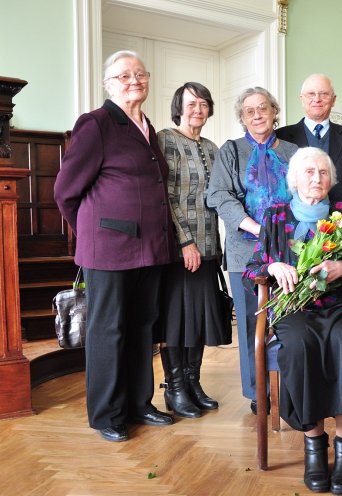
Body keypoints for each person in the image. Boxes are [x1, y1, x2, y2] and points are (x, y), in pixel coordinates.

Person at [55, 50, 175, 442]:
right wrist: (91, 232)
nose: (134, 80)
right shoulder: (96, 124)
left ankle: (139, 403)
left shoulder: (146, 126)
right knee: (108, 329)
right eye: (124, 76)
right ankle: (107, 414)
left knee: (142, 327)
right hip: (108, 249)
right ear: (108, 84)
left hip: (150, 248)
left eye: (140, 74)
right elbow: (65, 191)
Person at [243, 147, 342, 496]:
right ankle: (314, 446)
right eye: (308, 172)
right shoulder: (274, 216)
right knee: (300, 343)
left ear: (331, 179)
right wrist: (272, 266)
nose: (316, 178)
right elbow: (253, 269)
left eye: (322, 172)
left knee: (341, 340)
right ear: (294, 180)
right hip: (295, 309)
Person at [207, 87, 297, 414]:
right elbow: (218, 195)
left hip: (290, 251)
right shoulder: (231, 151)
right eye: (249, 111)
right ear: (242, 118)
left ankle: (290, 385)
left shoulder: (293, 150)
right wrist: (256, 227)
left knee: (289, 319)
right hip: (245, 251)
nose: (257, 115)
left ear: (274, 112)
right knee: (249, 324)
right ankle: (257, 391)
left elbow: (306, 193)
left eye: (263, 108)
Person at [156, 82, 222, 419]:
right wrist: (185, 241)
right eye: (192, 103)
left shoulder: (212, 147)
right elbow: (165, 194)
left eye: (204, 104)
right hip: (181, 248)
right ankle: (175, 388)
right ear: (179, 107)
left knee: (196, 320)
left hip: (209, 246)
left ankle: (194, 383)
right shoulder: (166, 139)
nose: (198, 109)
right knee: (176, 321)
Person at [276, 73, 342, 207]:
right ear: (302, 99)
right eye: (311, 94)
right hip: (294, 221)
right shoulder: (281, 137)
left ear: (333, 100)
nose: (317, 99)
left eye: (323, 94)